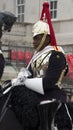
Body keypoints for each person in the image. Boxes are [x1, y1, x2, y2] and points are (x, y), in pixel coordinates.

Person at [10, 2, 68, 130]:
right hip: (35, 94)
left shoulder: (56, 55)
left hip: (52, 95)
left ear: (47, 38)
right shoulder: (36, 56)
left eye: (37, 38)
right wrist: (21, 77)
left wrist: (26, 81)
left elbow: (49, 82)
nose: (34, 42)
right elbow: (30, 74)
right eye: (34, 38)